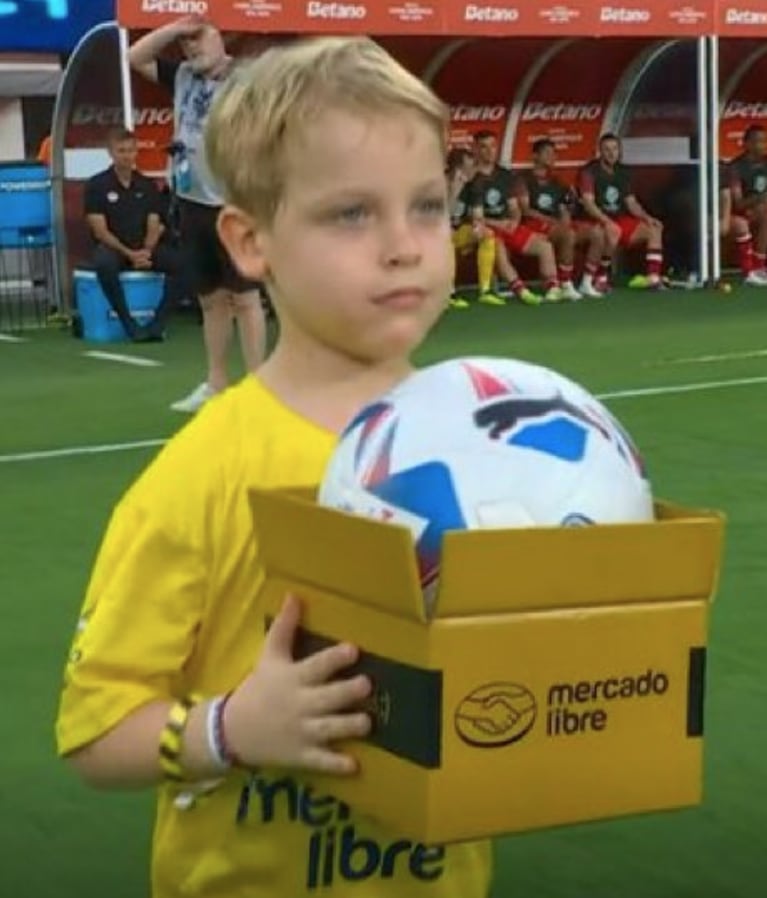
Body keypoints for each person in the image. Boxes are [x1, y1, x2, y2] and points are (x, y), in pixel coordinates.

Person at [56, 36, 492, 898]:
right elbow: (95, 733)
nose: (404, 246)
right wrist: (232, 729)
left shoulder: (489, 440)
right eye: (350, 214)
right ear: (250, 241)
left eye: (428, 206)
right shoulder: (205, 474)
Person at [128, 16, 267, 412]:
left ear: (218, 36)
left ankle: (258, 388)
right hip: (191, 202)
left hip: (233, 202)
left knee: (245, 297)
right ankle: (216, 382)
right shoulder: (182, 75)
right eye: (184, 44)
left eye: (198, 40)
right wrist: (174, 29)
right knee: (211, 298)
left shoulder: (244, 79)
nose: (191, 49)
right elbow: (134, 55)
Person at [84, 127, 181, 342]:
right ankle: (129, 324)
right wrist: (129, 254)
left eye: (130, 150)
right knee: (104, 262)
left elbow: (154, 222)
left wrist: (146, 251)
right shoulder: (97, 185)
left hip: (144, 249)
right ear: (110, 153)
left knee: (184, 265)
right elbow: (100, 230)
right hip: (116, 249)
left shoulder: (146, 185)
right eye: (121, 151)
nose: (127, 156)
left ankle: (157, 325)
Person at [469, 130, 563, 303]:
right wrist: (500, 224)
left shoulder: (505, 175)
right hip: (487, 228)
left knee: (544, 246)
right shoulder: (470, 177)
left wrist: (514, 221)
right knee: (497, 246)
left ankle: (553, 287)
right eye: (483, 147)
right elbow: (474, 216)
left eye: (492, 146)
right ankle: (521, 290)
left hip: (507, 225)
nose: (489, 151)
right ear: (475, 149)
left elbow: (514, 207)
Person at [447, 147, 539, 308]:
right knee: (444, 240)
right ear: (456, 169)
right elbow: (441, 215)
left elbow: (477, 214)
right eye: (468, 167)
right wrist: (455, 189)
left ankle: (485, 291)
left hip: (458, 230)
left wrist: (477, 226)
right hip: (432, 233)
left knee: (487, 234)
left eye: (473, 166)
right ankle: (448, 293)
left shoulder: (475, 184)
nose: (472, 171)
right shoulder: (440, 182)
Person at [515, 138, 605, 299]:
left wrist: (566, 219)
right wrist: (556, 223)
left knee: (597, 232)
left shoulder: (557, 180)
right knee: (567, 233)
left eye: (554, 154)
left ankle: (586, 282)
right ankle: (566, 284)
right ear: (535, 156)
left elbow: (565, 206)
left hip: (556, 225)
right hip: (533, 224)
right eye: (547, 153)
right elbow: (526, 210)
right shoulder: (523, 178)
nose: (552, 157)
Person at [577, 133, 664, 291]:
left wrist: (647, 217)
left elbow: (631, 202)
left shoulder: (623, 172)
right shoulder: (589, 171)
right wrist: (606, 221)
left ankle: (653, 278)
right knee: (613, 231)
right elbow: (588, 204)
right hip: (595, 220)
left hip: (619, 219)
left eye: (615, 149)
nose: (611, 153)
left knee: (654, 228)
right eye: (607, 149)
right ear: (600, 151)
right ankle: (601, 277)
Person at [728, 124, 767, 284]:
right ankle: (758, 267)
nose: (762, 145)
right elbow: (737, 204)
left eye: (764, 141)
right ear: (746, 144)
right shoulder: (736, 167)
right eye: (758, 141)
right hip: (742, 213)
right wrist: (762, 198)